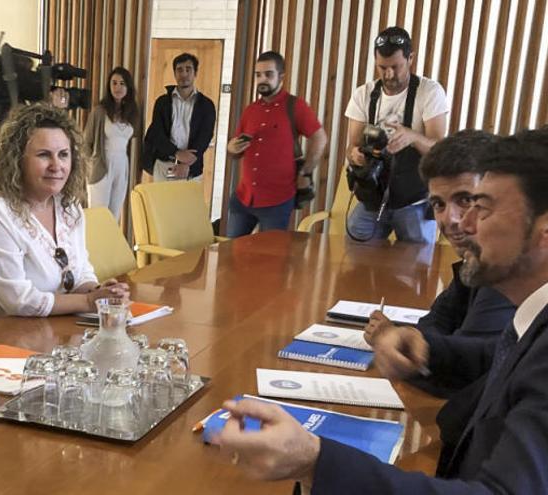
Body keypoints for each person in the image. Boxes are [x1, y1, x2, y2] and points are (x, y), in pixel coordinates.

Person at [214, 129, 548, 493]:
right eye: (441, 204)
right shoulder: (529, 318)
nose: (462, 223)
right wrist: (420, 346)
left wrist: (315, 461)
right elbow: (486, 359)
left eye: (480, 206)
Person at [364, 130, 515, 396]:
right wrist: (410, 342)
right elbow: (433, 325)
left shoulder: (510, 271)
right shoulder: (474, 262)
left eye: (466, 200)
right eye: (438, 204)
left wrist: (412, 349)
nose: (451, 219)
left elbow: (465, 374)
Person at [0, 103, 130, 327]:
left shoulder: (69, 207)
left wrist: (102, 292)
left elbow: (80, 273)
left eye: (63, 155)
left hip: (51, 330)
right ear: (17, 159)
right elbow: (19, 301)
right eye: (44, 155)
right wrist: (88, 301)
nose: (56, 165)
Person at [345, 27, 449, 243]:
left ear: (410, 58)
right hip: (373, 197)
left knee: (413, 271)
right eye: (382, 67)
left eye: (395, 67)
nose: (388, 74)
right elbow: (351, 147)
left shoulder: (429, 92)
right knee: (354, 253)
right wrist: (356, 155)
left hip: (414, 201)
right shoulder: (364, 94)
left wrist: (413, 137)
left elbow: (440, 151)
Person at [226, 51, 327, 237]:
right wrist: (231, 148)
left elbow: (319, 138)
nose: (262, 79)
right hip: (243, 198)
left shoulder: (295, 106)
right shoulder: (251, 110)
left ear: (281, 76)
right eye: (258, 74)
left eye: (268, 74)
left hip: (277, 201)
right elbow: (236, 147)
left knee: (271, 261)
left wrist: (306, 171)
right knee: (231, 257)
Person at [142, 53, 216, 181]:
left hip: (191, 169)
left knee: (187, 202)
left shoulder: (206, 105)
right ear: (175, 73)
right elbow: (157, 133)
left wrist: (186, 163)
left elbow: (205, 136)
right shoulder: (162, 102)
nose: (184, 74)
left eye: (188, 69)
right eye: (179, 70)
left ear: (195, 73)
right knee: (162, 201)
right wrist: (176, 153)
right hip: (164, 165)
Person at [83, 66, 140, 220]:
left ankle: (109, 244)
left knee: (114, 216)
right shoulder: (100, 111)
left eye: (122, 83)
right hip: (102, 164)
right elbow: (86, 142)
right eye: (114, 83)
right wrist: (91, 165)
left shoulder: (132, 112)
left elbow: (132, 137)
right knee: (98, 215)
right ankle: (94, 245)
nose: (117, 87)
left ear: (128, 86)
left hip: (122, 165)